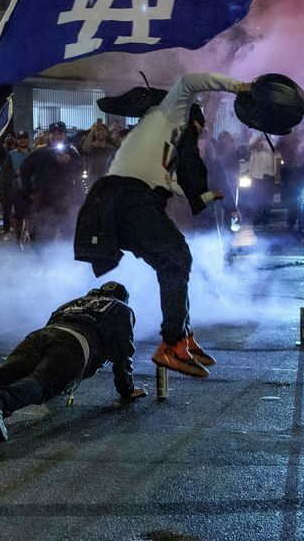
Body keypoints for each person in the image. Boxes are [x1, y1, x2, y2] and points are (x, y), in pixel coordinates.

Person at [75, 74, 251, 378]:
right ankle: (172, 344)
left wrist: (208, 196)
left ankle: (181, 335)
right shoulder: (167, 115)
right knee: (176, 258)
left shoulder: (165, 147)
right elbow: (188, 82)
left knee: (174, 261)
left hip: (126, 199)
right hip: (127, 197)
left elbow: (169, 184)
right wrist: (239, 87)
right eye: (199, 128)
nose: (199, 135)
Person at [0, 282, 145, 442]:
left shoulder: (73, 302)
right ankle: (1, 401)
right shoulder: (121, 308)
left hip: (40, 335)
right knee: (43, 381)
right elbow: (123, 351)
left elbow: (51, 322)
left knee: (5, 373)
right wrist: (126, 389)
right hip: (74, 342)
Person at [19, 122, 84, 244]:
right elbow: (24, 170)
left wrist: (69, 161)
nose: (56, 136)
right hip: (44, 200)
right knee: (43, 235)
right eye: (53, 133)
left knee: (68, 235)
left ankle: (65, 260)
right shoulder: (40, 153)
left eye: (60, 133)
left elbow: (81, 169)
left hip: (66, 200)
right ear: (48, 135)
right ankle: (42, 260)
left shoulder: (71, 152)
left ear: (64, 135)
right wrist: (30, 191)